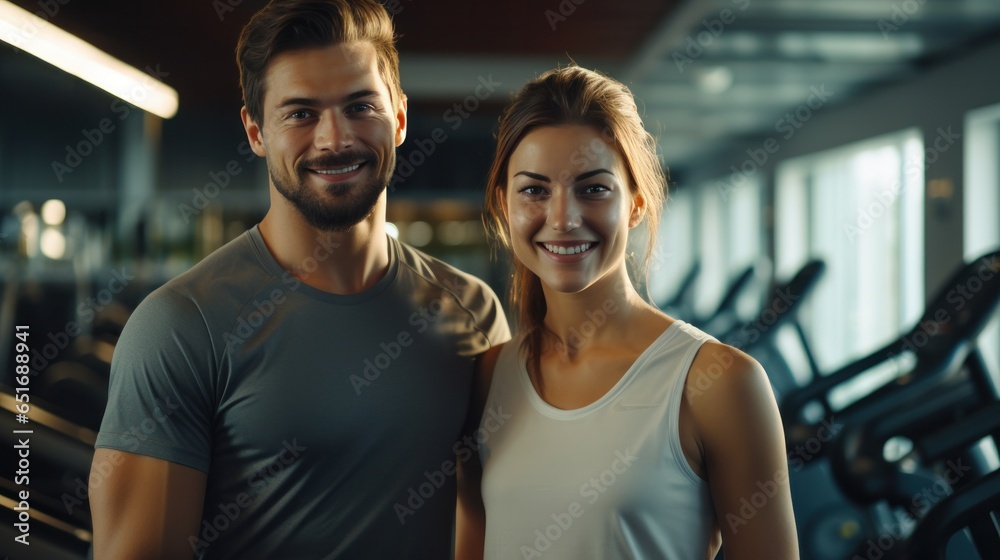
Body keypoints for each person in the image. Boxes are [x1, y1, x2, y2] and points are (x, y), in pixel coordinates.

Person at [89, 1, 509, 558]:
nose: (334, 139)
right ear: (256, 131)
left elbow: (494, 515)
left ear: (400, 118)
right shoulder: (180, 327)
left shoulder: (473, 312)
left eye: (361, 106)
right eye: (300, 113)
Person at [455, 66, 798, 559]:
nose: (563, 218)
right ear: (503, 207)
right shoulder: (488, 378)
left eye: (593, 188)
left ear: (635, 204)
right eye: (534, 190)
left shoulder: (719, 382)